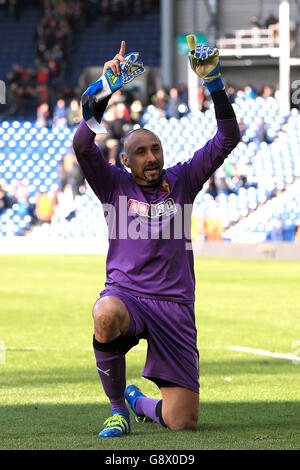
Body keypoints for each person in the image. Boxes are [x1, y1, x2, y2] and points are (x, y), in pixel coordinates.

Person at [73, 39, 240, 437]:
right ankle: (117, 410)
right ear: (125, 161)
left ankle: (139, 401)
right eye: (141, 153)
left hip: (175, 306)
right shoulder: (112, 184)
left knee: (183, 423)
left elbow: (227, 137)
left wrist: (213, 82)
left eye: (156, 150)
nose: (151, 158)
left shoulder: (182, 180)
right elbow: (82, 143)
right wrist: (106, 86)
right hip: (127, 295)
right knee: (105, 313)